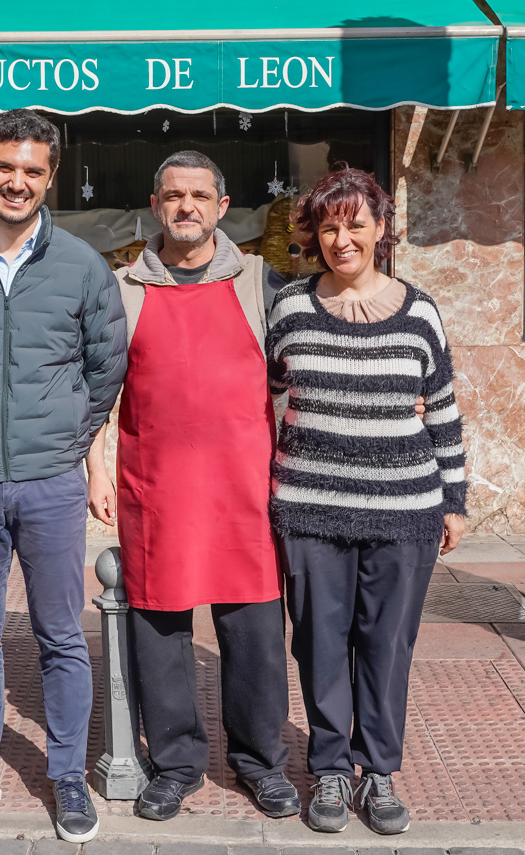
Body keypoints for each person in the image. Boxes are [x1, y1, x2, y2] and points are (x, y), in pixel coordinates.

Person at [0, 109, 127, 842]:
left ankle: (67, 775)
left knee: (61, 636)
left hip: (51, 484)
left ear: (51, 175)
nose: (17, 181)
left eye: (33, 170)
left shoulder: (82, 265)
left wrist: (68, 441)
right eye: (5, 167)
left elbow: (107, 371)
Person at [86, 150, 300, 823]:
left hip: (247, 490)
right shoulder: (123, 290)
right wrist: (96, 464)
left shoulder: (262, 282)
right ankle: (177, 762)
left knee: (255, 634)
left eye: (199, 196)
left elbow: (302, 376)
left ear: (221, 205)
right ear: (155, 205)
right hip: (158, 489)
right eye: (174, 195)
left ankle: (261, 762)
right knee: (160, 633)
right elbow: (95, 394)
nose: (187, 207)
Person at [268, 165, 466, 835]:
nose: (342, 238)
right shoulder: (289, 307)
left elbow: (441, 408)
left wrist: (455, 498)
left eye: (355, 224)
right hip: (310, 511)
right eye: (329, 226)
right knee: (321, 643)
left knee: (386, 644)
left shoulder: (421, 310)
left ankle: (377, 769)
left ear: (381, 228)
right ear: (315, 234)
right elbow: (263, 395)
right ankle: (329, 767)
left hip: (404, 511)